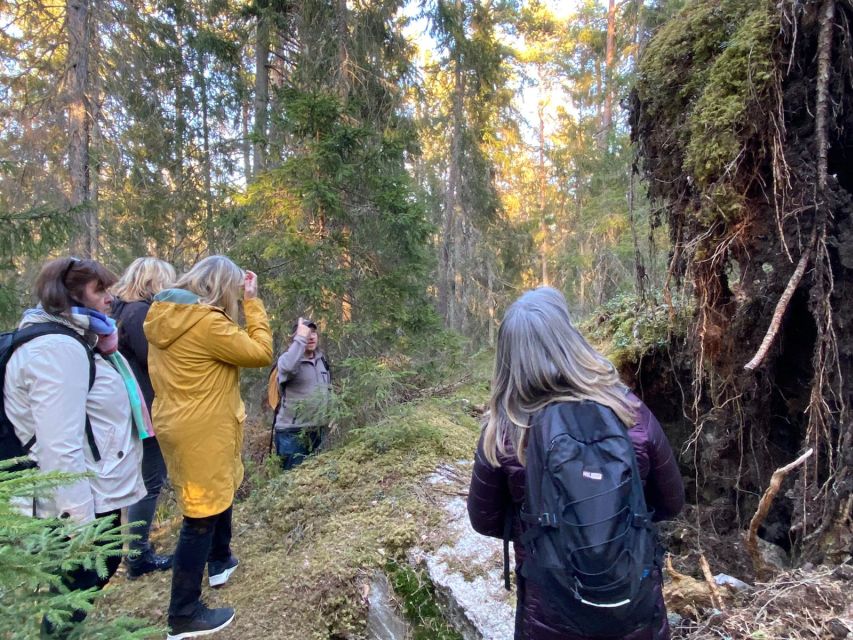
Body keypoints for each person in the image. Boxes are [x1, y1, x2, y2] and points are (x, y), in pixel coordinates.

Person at [467, 287, 684, 640]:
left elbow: (484, 520)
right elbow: (671, 502)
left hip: (549, 614)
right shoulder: (629, 413)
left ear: (508, 358)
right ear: (570, 339)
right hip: (634, 609)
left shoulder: (504, 433)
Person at [2, 256, 147, 635]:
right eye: (100, 290)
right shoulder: (57, 349)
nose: (109, 298)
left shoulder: (75, 340)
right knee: (72, 593)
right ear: (69, 296)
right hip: (77, 499)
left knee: (77, 590)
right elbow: (58, 444)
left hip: (92, 486)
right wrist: (79, 524)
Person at [144, 255, 272, 640]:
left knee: (220, 491)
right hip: (201, 426)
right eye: (234, 292)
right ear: (222, 288)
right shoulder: (206, 323)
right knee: (200, 516)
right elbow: (260, 352)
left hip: (183, 422)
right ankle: (183, 614)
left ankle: (220, 561)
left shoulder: (165, 315)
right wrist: (253, 303)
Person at [111, 257, 177, 579]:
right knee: (149, 483)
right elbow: (155, 362)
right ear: (153, 281)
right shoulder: (138, 314)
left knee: (144, 482)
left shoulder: (122, 311)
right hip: (145, 412)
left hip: (135, 410)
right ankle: (138, 558)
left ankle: (137, 554)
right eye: (165, 281)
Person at [272, 317, 331, 469]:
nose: (311, 337)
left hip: (318, 432)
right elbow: (289, 367)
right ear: (296, 338)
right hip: (292, 434)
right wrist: (300, 340)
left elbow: (327, 390)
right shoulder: (287, 360)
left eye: (313, 333)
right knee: (292, 484)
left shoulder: (321, 360)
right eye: (306, 333)